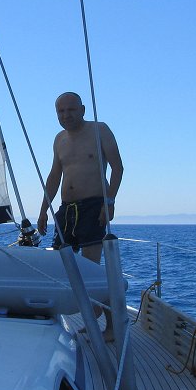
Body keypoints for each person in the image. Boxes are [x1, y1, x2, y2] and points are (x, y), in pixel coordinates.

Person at [36, 91, 123, 264]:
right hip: (66, 208)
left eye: (71, 110)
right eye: (61, 111)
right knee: (61, 261)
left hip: (93, 207)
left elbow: (118, 168)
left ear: (82, 110)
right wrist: (43, 210)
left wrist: (109, 202)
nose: (66, 115)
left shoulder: (100, 130)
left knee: (90, 262)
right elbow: (54, 176)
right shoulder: (59, 139)